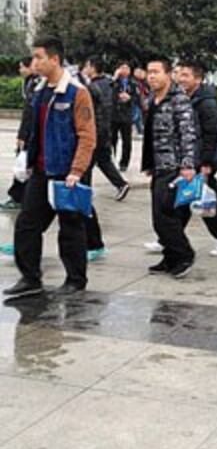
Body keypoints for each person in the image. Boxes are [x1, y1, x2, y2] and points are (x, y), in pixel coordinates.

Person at [4, 37, 96, 301]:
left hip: (67, 174)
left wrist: (77, 171)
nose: (34, 62)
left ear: (54, 59)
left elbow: (87, 136)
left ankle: (75, 280)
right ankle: (30, 278)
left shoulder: (77, 92)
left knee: (71, 229)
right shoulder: (40, 90)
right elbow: (35, 129)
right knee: (26, 225)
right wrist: (27, 161)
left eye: (38, 57)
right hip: (41, 172)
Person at [141, 58, 197, 279]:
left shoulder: (178, 100)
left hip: (173, 166)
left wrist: (187, 165)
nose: (151, 76)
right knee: (162, 215)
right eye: (149, 72)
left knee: (164, 216)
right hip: (158, 165)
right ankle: (171, 256)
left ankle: (184, 254)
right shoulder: (153, 100)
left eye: (156, 72)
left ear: (168, 74)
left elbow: (188, 134)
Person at [177, 62, 217, 256]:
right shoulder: (186, 99)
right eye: (179, 74)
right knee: (183, 203)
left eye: (186, 75)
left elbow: (212, 135)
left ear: (198, 79)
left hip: (203, 160)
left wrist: (206, 163)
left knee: (208, 204)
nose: (181, 79)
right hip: (191, 158)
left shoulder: (206, 103)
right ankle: (170, 238)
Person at [83, 57, 130, 201]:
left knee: (86, 162)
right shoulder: (109, 84)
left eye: (86, 66)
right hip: (107, 128)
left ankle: (84, 192)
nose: (85, 69)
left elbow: (87, 112)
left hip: (95, 129)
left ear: (92, 67)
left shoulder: (92, 87)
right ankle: (121, 184)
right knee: (103, 160)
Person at [1, 58, 39, 213]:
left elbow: (30, 113)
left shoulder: (36, 84)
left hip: (32, 133)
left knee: (23, 164)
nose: (20, 70)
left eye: (22, 67)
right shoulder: (30, 82)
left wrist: (23, 135)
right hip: (30, 131)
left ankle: (18, 197)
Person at [111, 61, 139, 172]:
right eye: (122, 68)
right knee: (112, 139)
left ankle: (124, 162)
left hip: (126, 115)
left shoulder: (132, 83)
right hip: (114, 115)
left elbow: (137, 97)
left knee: (127, 141)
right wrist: (114, 77)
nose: (124, 70)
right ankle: (111, 161)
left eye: (127, 68)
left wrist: (129, 98)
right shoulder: (114, 82)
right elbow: (108, 93)